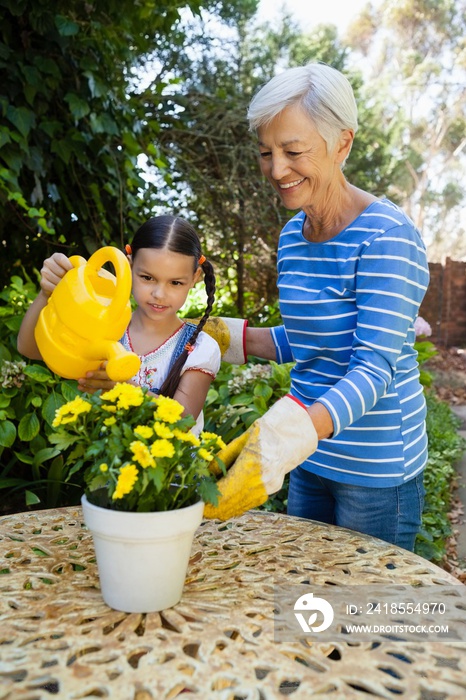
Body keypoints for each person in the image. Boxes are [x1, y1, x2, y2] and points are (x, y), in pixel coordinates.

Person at [204, 62, 429, 552]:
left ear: (342, 144)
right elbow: (309, 341)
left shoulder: (386, 238)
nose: (277, 169)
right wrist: (214, 336)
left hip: (375, 476)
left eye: (293, 151)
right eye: (266, 152)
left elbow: (373, 368)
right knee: (308, 603)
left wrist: (285, 440)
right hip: (309, 462)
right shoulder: (293, 236)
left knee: (364, 618)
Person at [17, 215, 221, 434]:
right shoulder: (103, 324)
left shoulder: (200, 347)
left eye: (175, 283)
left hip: (171, 466)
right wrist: (48, 293)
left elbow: (185, 419)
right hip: (104, 465)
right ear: (129, 265)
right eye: (147, 278)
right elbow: (30, 348)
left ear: (195, 278)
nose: (159, 294)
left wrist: (124, 389)